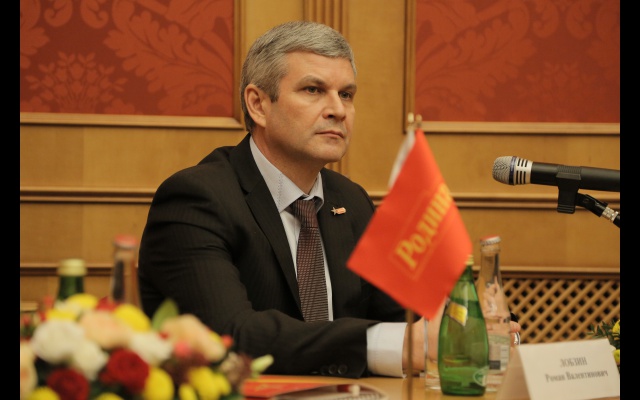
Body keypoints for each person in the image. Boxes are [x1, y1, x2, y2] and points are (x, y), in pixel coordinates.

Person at [138, 20, 520, 378]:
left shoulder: (349, 201)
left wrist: (471, 327)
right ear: (258, 104)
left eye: (346, 95)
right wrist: (401, 343)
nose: (338, 110)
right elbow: (231, 336)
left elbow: (404, 318)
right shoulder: (197, 200)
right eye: (314, 90)